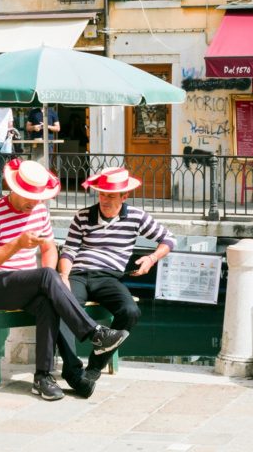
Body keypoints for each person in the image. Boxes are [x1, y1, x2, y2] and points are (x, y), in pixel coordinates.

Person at [0, 159, 129, 401]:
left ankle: (42, 377)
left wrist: (51, 285)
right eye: (29, 196)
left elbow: (49, 250)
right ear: (13, 189)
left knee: (49, 299)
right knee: (49, 275)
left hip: (27, 283)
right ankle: (95, 333)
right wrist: (16, 245)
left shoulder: (39, 211)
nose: (34, 202)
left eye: (37, 197)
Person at [56, 167, 175, 391]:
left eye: (110, 195)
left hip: (108, 277)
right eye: (102, 194)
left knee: (130, 312)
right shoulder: (82, 216)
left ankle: (93, 369)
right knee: (63, 308)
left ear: (124, 196)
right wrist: (63, 276)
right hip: (78, 274)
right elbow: (69, 250)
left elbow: (168, 239)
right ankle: (71, 371)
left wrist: (150, 259)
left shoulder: (136, 217)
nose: (105, 200)